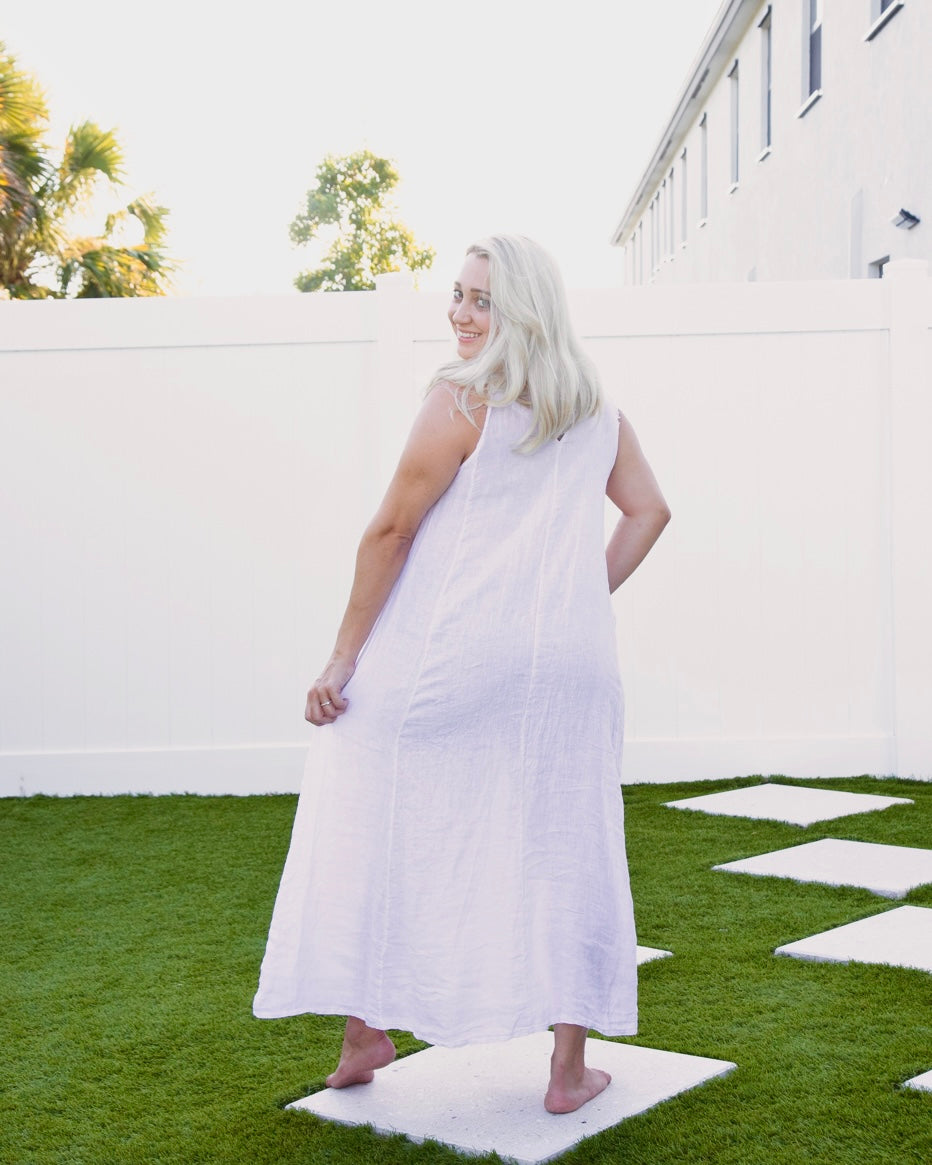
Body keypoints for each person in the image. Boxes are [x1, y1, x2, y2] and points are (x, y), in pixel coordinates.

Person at [253, 235, 671, 1115]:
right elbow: (649, 511)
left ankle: (365, 1028)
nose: (459, 312)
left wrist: (341, 658)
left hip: (454, 659)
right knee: (567, 842)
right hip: (568, 666)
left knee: (375, 803)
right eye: (457, 294)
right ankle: (567, 1070)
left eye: (480, 298)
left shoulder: (460, 401)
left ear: (521, 310)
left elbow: (390, 532)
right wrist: (571, 601)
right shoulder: (597, 410)